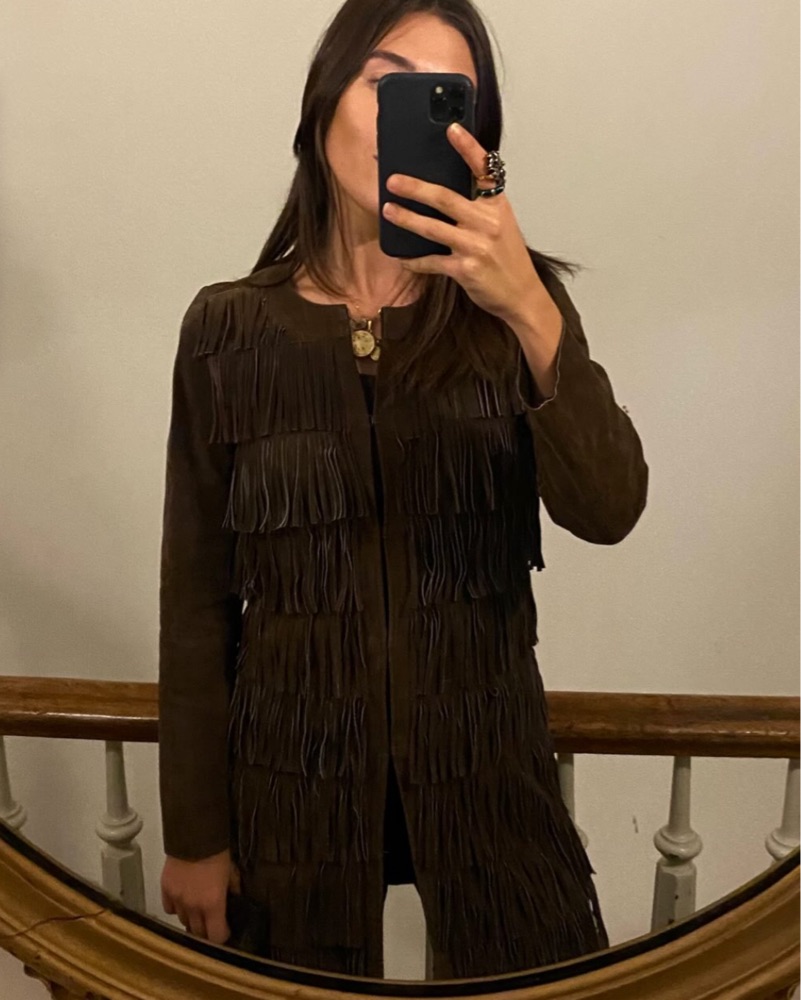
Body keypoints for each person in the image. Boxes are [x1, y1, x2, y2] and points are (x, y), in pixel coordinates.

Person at [158, 0, 648, 981]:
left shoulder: (512, 309)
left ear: (474, 138)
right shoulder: (227, 329)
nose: (403, 115)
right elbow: (197, 597)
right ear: (324, 99)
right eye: (385, 81)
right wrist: (194, 833)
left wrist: (527, 306)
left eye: (441, 95)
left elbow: (609, 507)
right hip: (290, 787)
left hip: (487, 776)